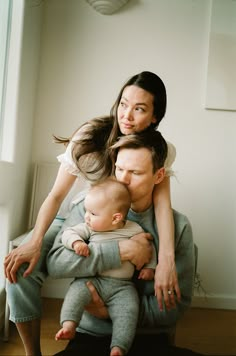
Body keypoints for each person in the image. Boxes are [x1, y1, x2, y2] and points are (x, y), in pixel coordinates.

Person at [4, 71, 179, 356]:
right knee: (21, 269)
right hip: (81, 218)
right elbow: (56, 195)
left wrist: (167, 261)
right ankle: (32, 352)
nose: (127, 115)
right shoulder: (91, 136)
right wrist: (35, 241)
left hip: (132, 222)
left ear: (155, 117)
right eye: (124, 104)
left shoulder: (159, 151)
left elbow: (162, 205)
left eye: (140, 108)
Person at [47, 129, 195, 355]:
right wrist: (119, 251)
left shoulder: (179, 226)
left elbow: (173, 308)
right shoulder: (90, 209)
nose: (123, 179)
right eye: (119, 169)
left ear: (158, 176)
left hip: (149, 338)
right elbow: (56, 263)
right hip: (90, 334)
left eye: (135, 172)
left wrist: (112, 311)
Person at [55, 178, 157, 356]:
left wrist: (150, 267)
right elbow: (68, 233)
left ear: (116, 217)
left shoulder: (135, 229)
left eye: (93, 213)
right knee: (75, 292)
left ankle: (119, 346)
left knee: (129, 310)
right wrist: (76, 242)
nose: (86, 216)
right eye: (86, 211)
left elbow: (149, 248)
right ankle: (69, 324)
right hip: (92, 280)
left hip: (123, 286)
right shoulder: (90, 228)